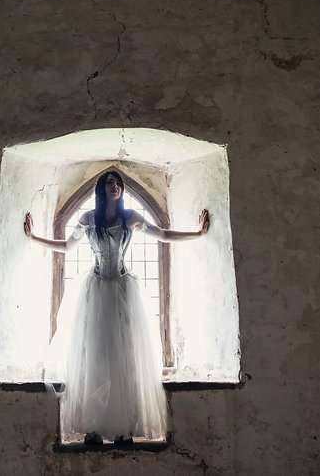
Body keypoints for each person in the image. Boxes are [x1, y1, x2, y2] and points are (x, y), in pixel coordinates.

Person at [23, 170, 210, 444]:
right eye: (110, 183)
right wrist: (34, 238)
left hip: (123, 291)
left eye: (119, 183)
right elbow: (66, 246)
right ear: (101, 189)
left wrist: (197, 233)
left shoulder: (130, 218)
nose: (116, 187)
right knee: (95, 358)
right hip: (96, 292)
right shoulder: (88, 219)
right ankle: (94, 429)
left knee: (125, 358)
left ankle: (124, 429)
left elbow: (162, 234)